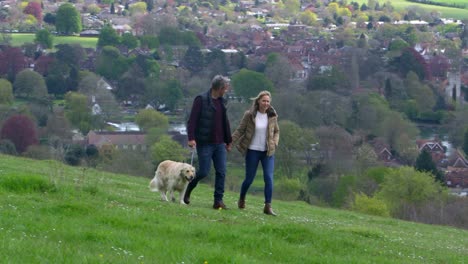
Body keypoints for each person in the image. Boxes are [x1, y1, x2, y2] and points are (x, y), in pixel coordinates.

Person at [185, 75, 232, 209]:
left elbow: (225, 122)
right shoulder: (201, 100)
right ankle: (187, 189)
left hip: (220, 144)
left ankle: (218, 201)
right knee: (203, 171)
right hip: (205, 142)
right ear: (220, 88)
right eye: (226, 88)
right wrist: (191, 138)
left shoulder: (222, 101)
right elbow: (192, 120)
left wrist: (228, 141)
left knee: (221, 172)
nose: (226, 91)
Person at [231, 90, 280, 216]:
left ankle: (267, 206)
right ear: (258, 101)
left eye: (268, 101)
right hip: (252, 150)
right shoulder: (250, 115)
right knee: (249, 179)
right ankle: (242, 198)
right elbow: (240, 130)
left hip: (267, 152)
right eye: (263, 101)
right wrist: (230, 142)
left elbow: (276, 131)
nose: (266, 103)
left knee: (268, 178)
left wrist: (275, 142)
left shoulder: (272, 115)